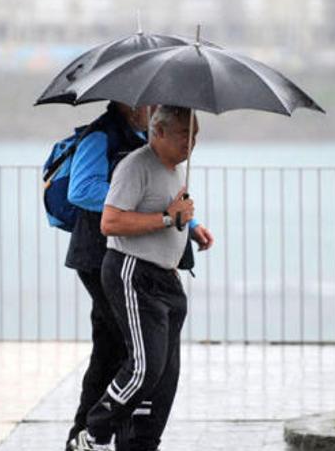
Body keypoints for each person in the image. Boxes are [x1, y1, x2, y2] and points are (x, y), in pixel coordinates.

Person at [72, 105, 214, 451]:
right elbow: (111, 223)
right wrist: (168, 218)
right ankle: (92, 434)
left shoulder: (174, 169)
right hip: (134, 272)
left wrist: (190, 226)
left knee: (165, 377)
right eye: (184, 135)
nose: (191, 143)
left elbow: (169, 212)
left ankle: (142, 444)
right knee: (144, 369)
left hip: (166, 277)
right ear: (159, 132)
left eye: (195, 135)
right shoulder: (135, 165)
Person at [63, 100, 149, 451]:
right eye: (150, 103)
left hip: (121, 254)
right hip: (96, 256)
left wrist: (190, 225)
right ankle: (90, 430)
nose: (155, 108)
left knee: (112, 344)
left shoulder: (140, 136)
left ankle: (88, 432)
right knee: (120, 344)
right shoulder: (99, 136)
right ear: (131, 105)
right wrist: (127, 202)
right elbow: (80, 190)